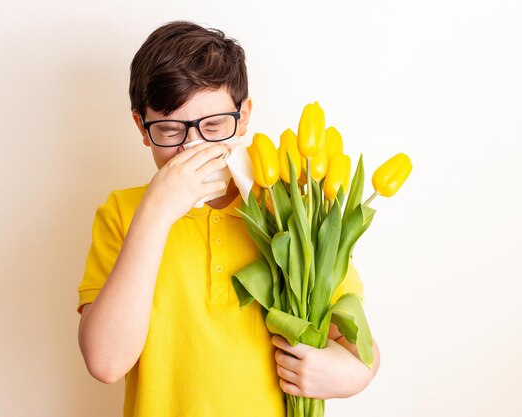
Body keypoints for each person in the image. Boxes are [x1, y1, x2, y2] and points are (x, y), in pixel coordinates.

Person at [77, 20, 380, 417]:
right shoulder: (123, 213)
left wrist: (354, 374)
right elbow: (105, 362)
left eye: (214, 126)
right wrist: (156, 214)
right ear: (142, 126)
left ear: (244, 114)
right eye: (170, 129)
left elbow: (360, 345)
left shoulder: (291, 210)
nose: (194, 147)